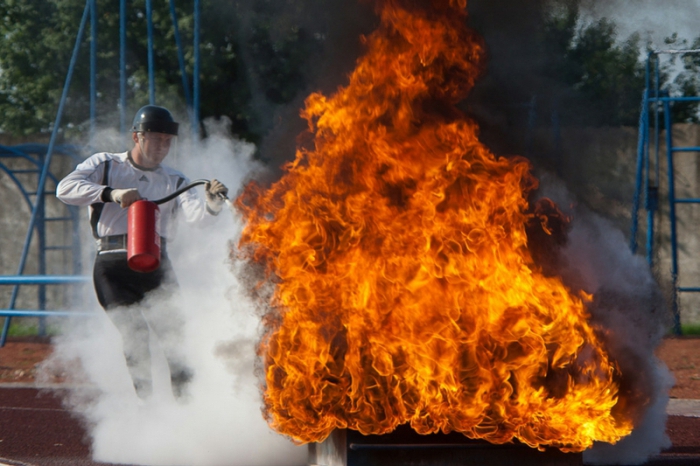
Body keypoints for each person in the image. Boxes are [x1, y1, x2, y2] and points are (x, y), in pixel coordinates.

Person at [56, 105, 229, 400]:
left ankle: (186, 412)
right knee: (135, 335)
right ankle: (147, 415)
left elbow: (196, 219)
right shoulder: (107, 164)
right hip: (113, 266)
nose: (161, 146)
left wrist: (212, 204)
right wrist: (110, 193)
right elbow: (65, 188)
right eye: (154, 138)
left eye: (167, 141)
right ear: (137, 137)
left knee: (176, 339)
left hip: (157, 266)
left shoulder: (175, 179)